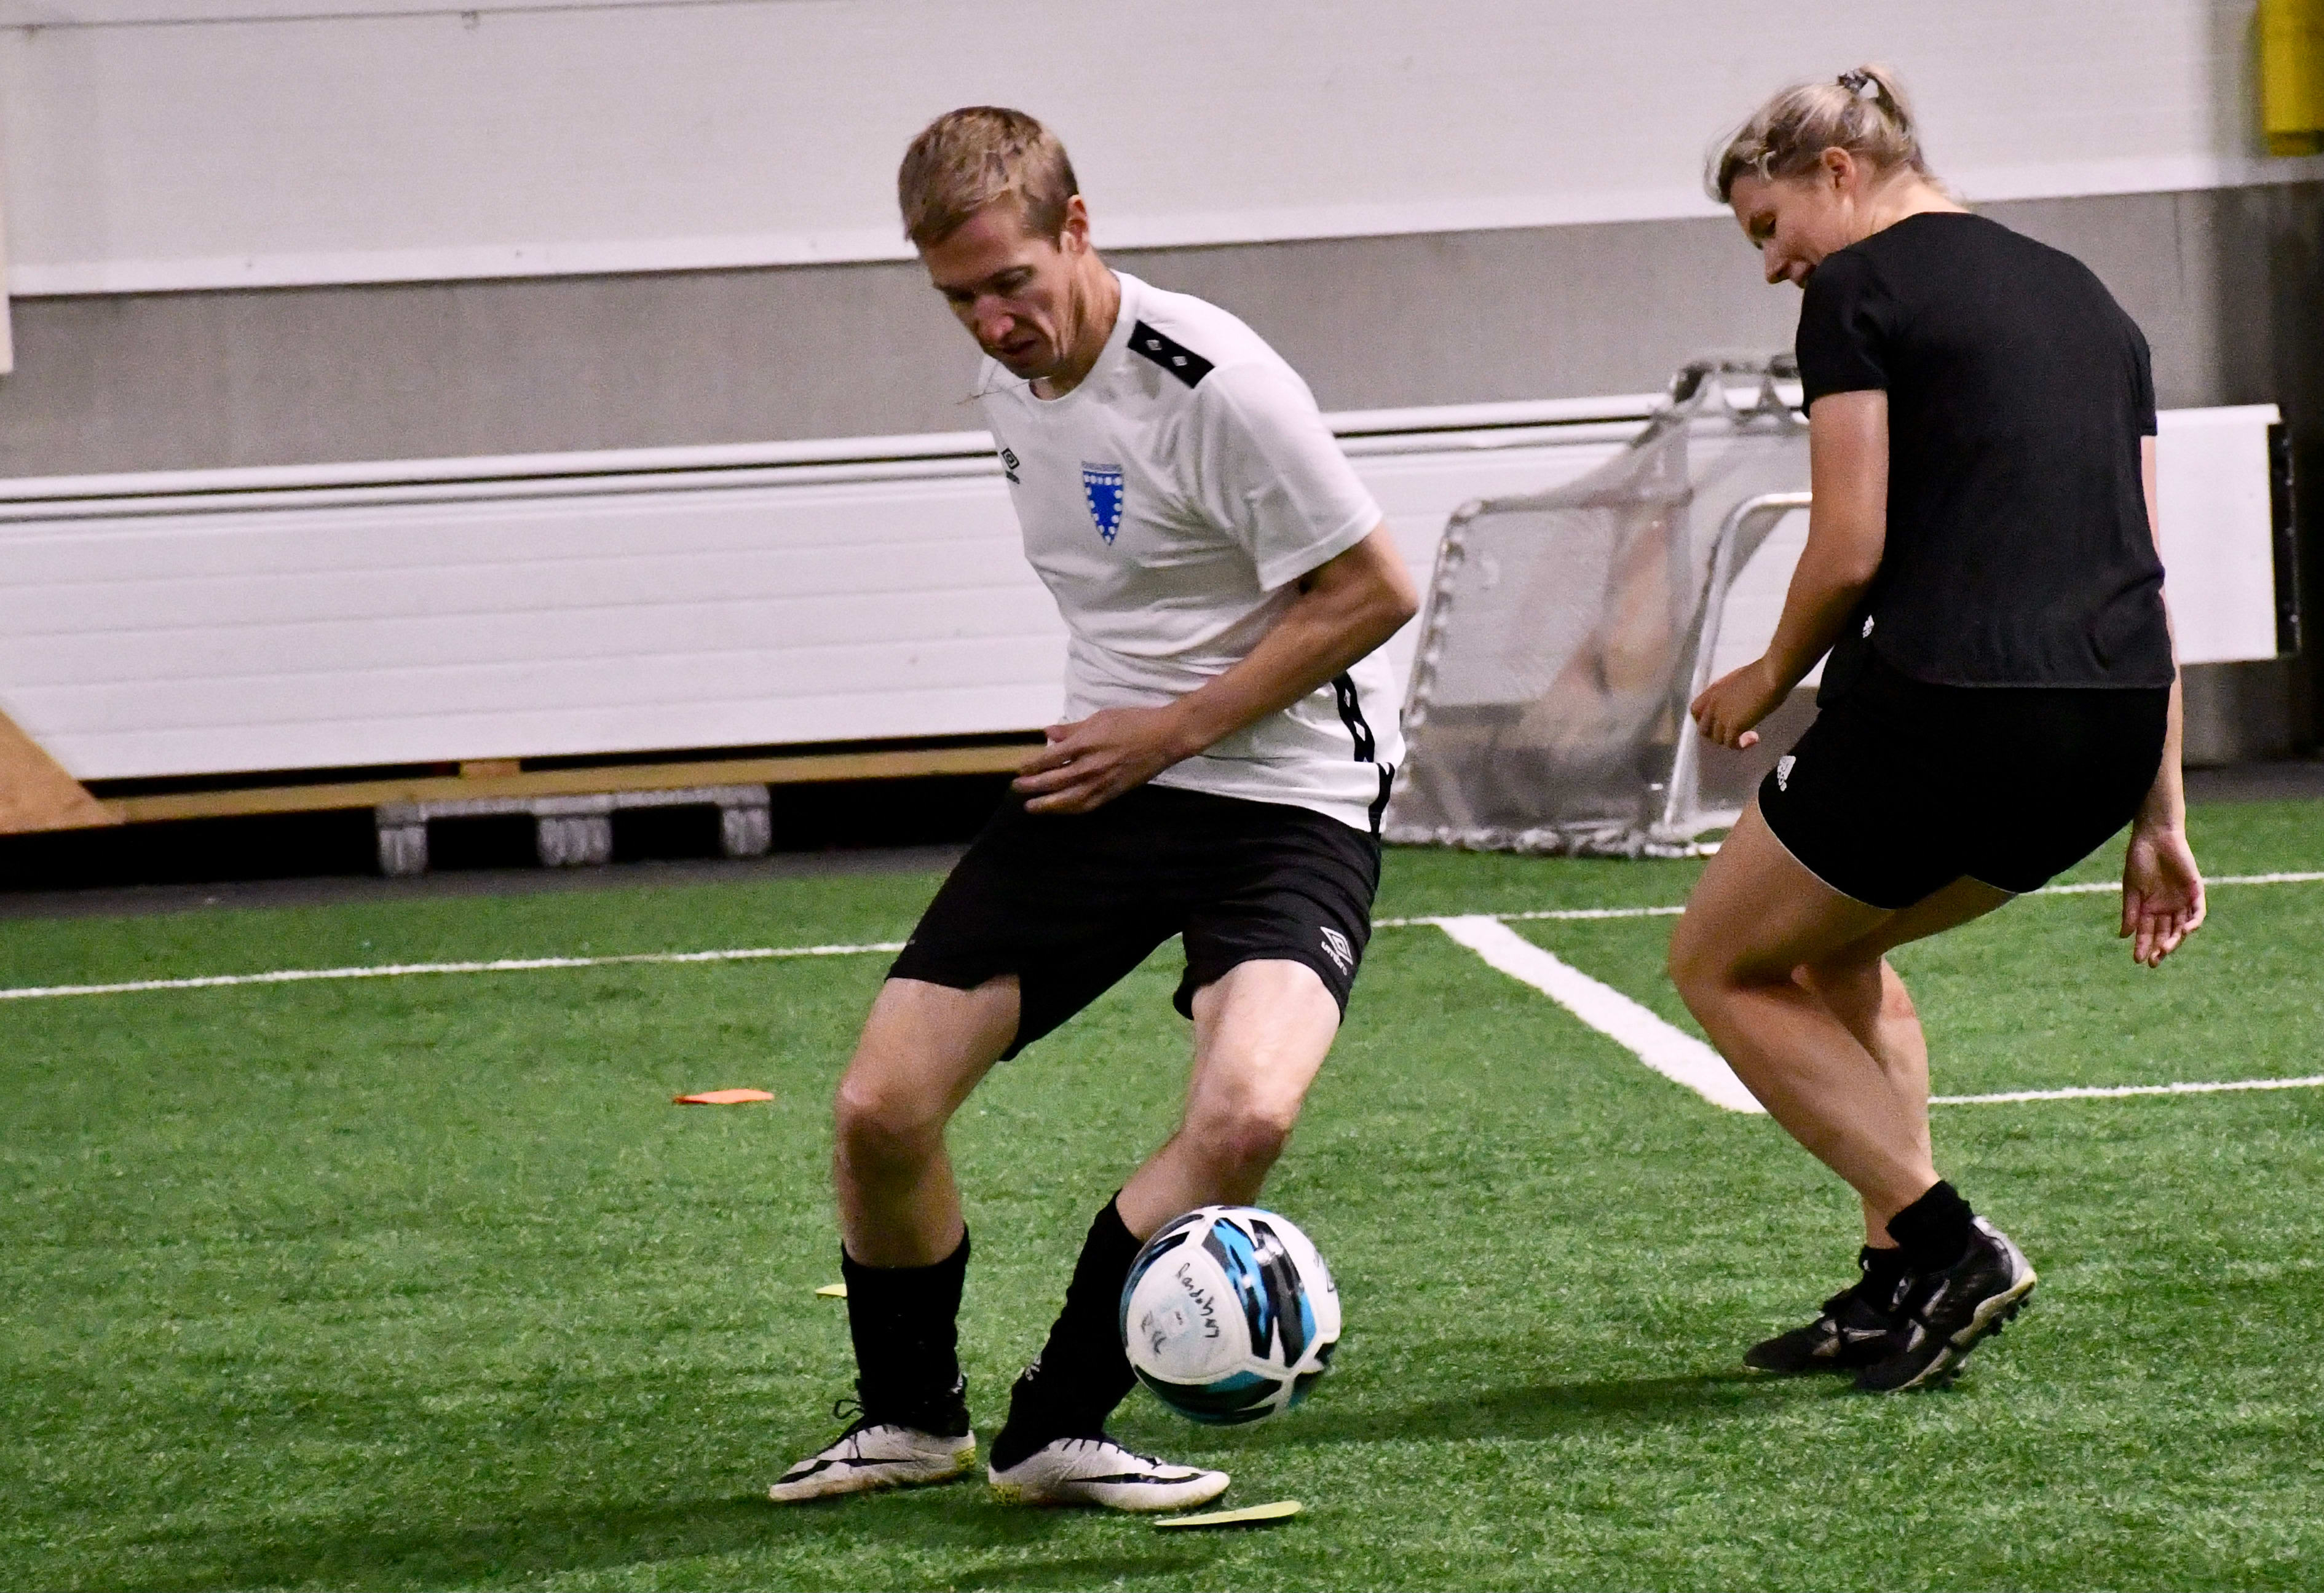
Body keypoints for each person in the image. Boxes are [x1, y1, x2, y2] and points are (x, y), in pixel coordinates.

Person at [767, 106, 1418, 1508]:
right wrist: (1133, 741)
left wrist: (1169, 731)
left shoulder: (1219, 384)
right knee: (882, 1107)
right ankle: (911, 1420)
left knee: (1244, 1117)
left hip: (1288, 794)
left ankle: (1057, 1426)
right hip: (1109, 778)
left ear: (1077, 228)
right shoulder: (1013, 382)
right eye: (959, 299)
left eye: (1011, 284)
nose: (993, 324)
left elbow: (1376, 591)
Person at [1667, 66, 2207, 1392]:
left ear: (1838, 171)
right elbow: (2140, 568)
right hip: (2107, 726)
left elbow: (1849, 545)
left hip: (1954, 708)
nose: (1775, 264)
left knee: (1717, 963)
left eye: (1769, 227)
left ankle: (1949, 1242)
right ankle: (1894, 1284)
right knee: (1834, 954)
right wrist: (2163, 815)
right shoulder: (2094, 301)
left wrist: (1764, 677)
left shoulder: (1861, 290)